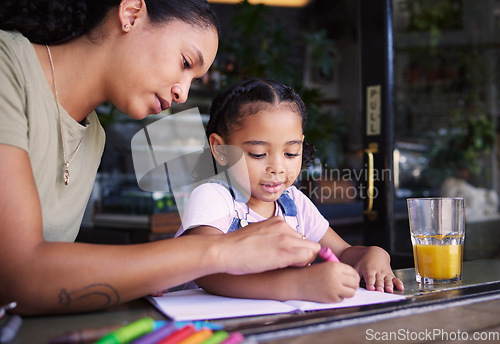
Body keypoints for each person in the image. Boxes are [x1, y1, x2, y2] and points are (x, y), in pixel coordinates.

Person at [0, 1, 320, 315]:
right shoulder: (7, 64)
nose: (182, 92)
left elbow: (52, 282)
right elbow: (18, 275)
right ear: (131, 13)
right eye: (185, 62)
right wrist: (220, 251)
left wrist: (153, 270)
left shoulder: (93, 134)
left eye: (194, 80)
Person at [176, 78, 404, 303]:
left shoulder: (293, 203)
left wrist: (373, 254)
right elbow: (205, 269)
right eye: (257, 154)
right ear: (220, 149)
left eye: (290, 153)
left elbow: (343, 253)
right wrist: (296, 284)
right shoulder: (214, 197)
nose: (277, 168)